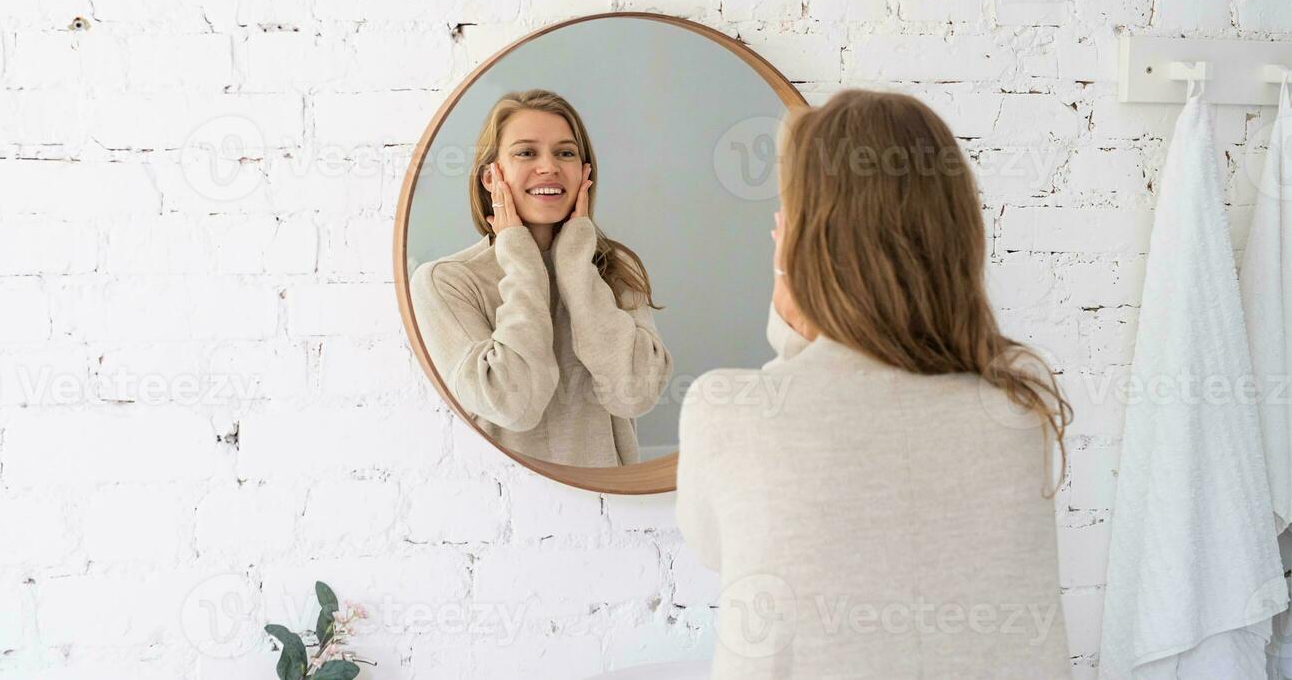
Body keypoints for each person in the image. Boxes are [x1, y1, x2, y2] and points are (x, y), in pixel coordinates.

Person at [677, 89, 1073, 678]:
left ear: (805, 239)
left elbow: (715, 547)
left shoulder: (726, 409)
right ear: (955, 231)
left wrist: (793, 323)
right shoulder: (1020, 397)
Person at [410, 88, 673, 467]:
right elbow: (514, 404)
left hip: (613, 508)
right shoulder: (447, 282)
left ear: (585, 173)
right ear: (490, 176)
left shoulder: (614, 270)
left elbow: (632, 394)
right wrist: (521, 261)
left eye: (565, 152)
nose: (548, 166)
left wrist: (575, 266)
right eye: (526, 152)